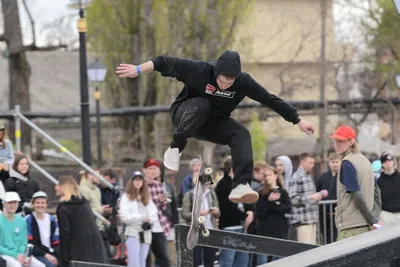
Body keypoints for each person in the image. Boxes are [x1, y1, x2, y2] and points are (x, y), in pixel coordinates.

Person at [116, 50, 315, 204]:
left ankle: (241, 185)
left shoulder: (243, 82)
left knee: (241, 134)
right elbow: (164, 61)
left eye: (230, 83)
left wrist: (297, 120)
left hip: (211, 125)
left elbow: (270, 99)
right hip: (184, 115)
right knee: (203, 104)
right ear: (216, 72)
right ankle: (176, 147)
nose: (225, 86)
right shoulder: (201, 70)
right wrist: (138, 69)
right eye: (221, 81)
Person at [329, 126, 382, 241]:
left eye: (341, 141)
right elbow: (376, 191)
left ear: (351, 141)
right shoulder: (365, 160)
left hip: (351, 227)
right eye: (335, 140)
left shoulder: (347, 163)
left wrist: (372, 220)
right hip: (366, 225)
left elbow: (356, 194)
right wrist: (374, 219)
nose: (337, 144)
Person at [55, 176, 108, 267]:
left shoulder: (63, 208)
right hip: (94, 244)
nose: (56, 187)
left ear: (64, 187)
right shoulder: (84, 203)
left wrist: (65, 255)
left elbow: (65, 233)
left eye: (58, 185)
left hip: (77, 248)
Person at [119, 171, 158, 267]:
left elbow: (154, 214)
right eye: (135, 180)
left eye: (140, 180)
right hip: (133, 232)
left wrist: (150, 219)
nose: (138, 182)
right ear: (131, 182)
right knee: (134, 263)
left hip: (146, 232)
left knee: (142, 262)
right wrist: (142, 218)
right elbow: (124, 217)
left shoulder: (146, 198)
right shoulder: (126, 197)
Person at [255, 166, 291, 264]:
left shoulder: (283, 193)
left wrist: (275, 205)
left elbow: (288, 208)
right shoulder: (261, 193)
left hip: (279, 231)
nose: (267, 177)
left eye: (270, 175)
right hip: (265, 231)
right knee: (262, 259)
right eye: (265, 175)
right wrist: (270, 201)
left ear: (275, 175)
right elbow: (259, 212)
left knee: (279, 260)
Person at [0, 192, 45, 267]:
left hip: (21, 254)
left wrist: (24, 256)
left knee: (41, 265)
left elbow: (24, 242)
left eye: (15, 202)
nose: (12, 205)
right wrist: (16, 256)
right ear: (3, 204)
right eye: (9, 202)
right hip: (5, 255)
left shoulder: (21, 220)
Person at [25, 192, 60, 267]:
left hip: (51, 252)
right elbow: (30, 243)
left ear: (46, 204)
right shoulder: (28, 220)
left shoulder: (52, 219)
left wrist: (56, 256)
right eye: (37, 203)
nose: (40, 205)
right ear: (33, 204)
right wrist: (46, 255)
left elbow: (56, 241)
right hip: (36, 253)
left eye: (43, 203)